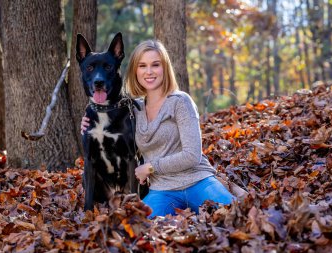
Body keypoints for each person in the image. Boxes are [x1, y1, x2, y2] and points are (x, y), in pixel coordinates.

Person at [82, 39, 235, 218]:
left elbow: (193, 155)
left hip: (198, 181)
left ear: (165, 68)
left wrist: (150, 168)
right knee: (137, 229)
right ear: (135, 71)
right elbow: (106, 128)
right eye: (142, 66)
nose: (149, 72)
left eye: (155, 65)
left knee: (233, 215)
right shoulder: (132, 109)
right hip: (162, 191)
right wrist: (87, 124)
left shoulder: (180, 102)